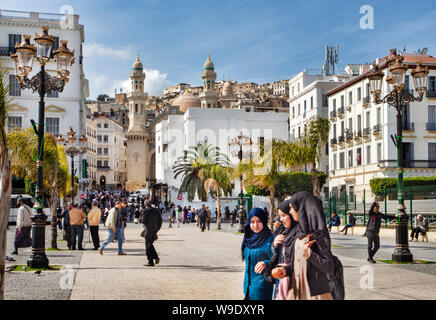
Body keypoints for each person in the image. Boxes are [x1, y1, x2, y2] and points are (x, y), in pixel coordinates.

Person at [270, 191, 335, 300]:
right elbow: (295, 264)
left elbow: (329, 267)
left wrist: (309, 254)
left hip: (314, 295)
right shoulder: (298, 233)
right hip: (296, 292)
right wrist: (284, 271)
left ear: (301, 208)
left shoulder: (318, 234)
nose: (290, 211)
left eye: (292, 208)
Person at [241, 208, 274, 300]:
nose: (255, 225)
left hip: (262, 288)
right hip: (248, 286)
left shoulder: (271, 239)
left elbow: (278, 261)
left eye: (259, 221)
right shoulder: (248, 238)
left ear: (264, 221)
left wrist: (266, 263)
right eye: (252, 222)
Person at [142, 201, 162, 266]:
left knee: (148, 246)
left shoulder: (145, 211)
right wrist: (157, 229)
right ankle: (152, 260)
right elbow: (160, 221)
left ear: (145, 205)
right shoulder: (156, 210)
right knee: (150, 245)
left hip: (148, 230)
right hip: (154, 230)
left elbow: (143, 221)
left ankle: (153, 260)